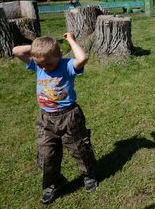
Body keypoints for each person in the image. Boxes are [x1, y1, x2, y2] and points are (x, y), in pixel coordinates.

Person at [13, 33, 98, 204]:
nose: (44, 68)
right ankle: (54, 182)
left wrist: (70, 40)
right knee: (46, 155)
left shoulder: (66, 65)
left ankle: (88, 175)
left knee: (79, 148)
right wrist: (38, 49)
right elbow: (16, 51)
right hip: (46, 119)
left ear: (59, 54)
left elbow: (82, 58)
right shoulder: (39, 65)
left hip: (69, 116)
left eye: (48, 63)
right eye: (40, 64)